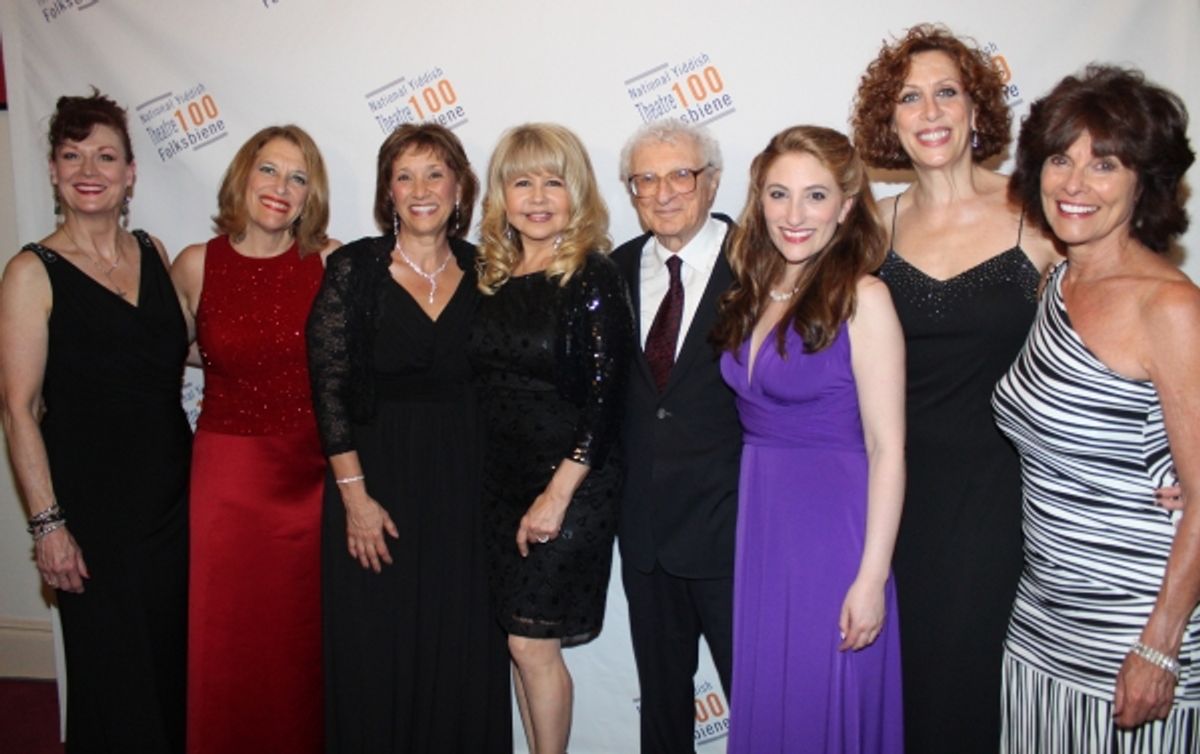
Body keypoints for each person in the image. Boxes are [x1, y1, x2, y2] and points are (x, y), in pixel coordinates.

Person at [850, 24, 1059, 752]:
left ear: (977, 110)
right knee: (909, 691)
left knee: (978, 688)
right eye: (910, 97)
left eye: (947, 92)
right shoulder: (871, 230)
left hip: (1007, 495)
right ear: (890, 119)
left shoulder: (1040, 215)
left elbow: (1123, 327)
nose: (930, 112)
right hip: (897, 494)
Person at [993, 64, 1200, 751]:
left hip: (1134, 637)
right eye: (1059, 158)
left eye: (1104, 164)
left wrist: (1160, 647)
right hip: (1043, 623)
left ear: (1145, 182)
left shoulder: (1169, 307)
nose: (1074, 183)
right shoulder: (1058, 275)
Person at [307, 122, 511, 753]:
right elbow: (329, 391)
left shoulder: (489, 270)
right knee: (377, 650)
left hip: (465, 493)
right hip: (377, 487)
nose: (421, 189)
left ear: (460, 187)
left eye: (435, 173)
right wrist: (356, 501)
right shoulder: (353, 269)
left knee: (461, 644)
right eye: (404, 175)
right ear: (386, 191)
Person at [0, 91, 189, 753]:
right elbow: (19, 409)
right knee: (114, 681)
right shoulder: (32, 272)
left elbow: (188, 355)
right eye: (72, 154)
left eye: (106, 155)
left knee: (175, 670)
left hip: (176, 500)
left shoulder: (153, 250)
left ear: (130, 172)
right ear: (52, 169)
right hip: (91, 512)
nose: (90, 168)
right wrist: (48, 526)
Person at [712, 125, 905, 753]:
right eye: (778, 194)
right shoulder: (754, 292)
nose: (794, 215)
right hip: (766, 528)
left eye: (816, 196)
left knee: (827, 696)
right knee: (776, 703)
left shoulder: (864, 298)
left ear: (847, 207)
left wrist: (871, 577)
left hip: (835, 535)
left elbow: (887, 450)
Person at [171, 125, 338, 754]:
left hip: (312, 476)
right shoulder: (194, 264)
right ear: (244, 175)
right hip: (227, 478)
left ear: (310, 195)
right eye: (269, 170)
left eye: (298, 178)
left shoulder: (329, 262)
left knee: (300, 640)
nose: (281, 188)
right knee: (228, 635)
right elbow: (160, 355)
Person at [468, 123, 634, 754]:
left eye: (553, 182)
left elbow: (605, 403)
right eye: (522, 181)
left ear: (578, 192)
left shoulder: (592, 277)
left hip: (573, 482)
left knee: (528, 641)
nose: (538, 198)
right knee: (519, 637)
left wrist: (557, 496)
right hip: (502, 482)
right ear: (502, 196)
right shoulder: (493, 278)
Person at [611, 120, 739, 754]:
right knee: (663, 710)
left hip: (738, 533)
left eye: (679, 175)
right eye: (645, 179)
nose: (662, 193)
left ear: (711, 181)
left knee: (761, 701)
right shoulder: (612, 272)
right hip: (646, 538)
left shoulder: (764, 262)